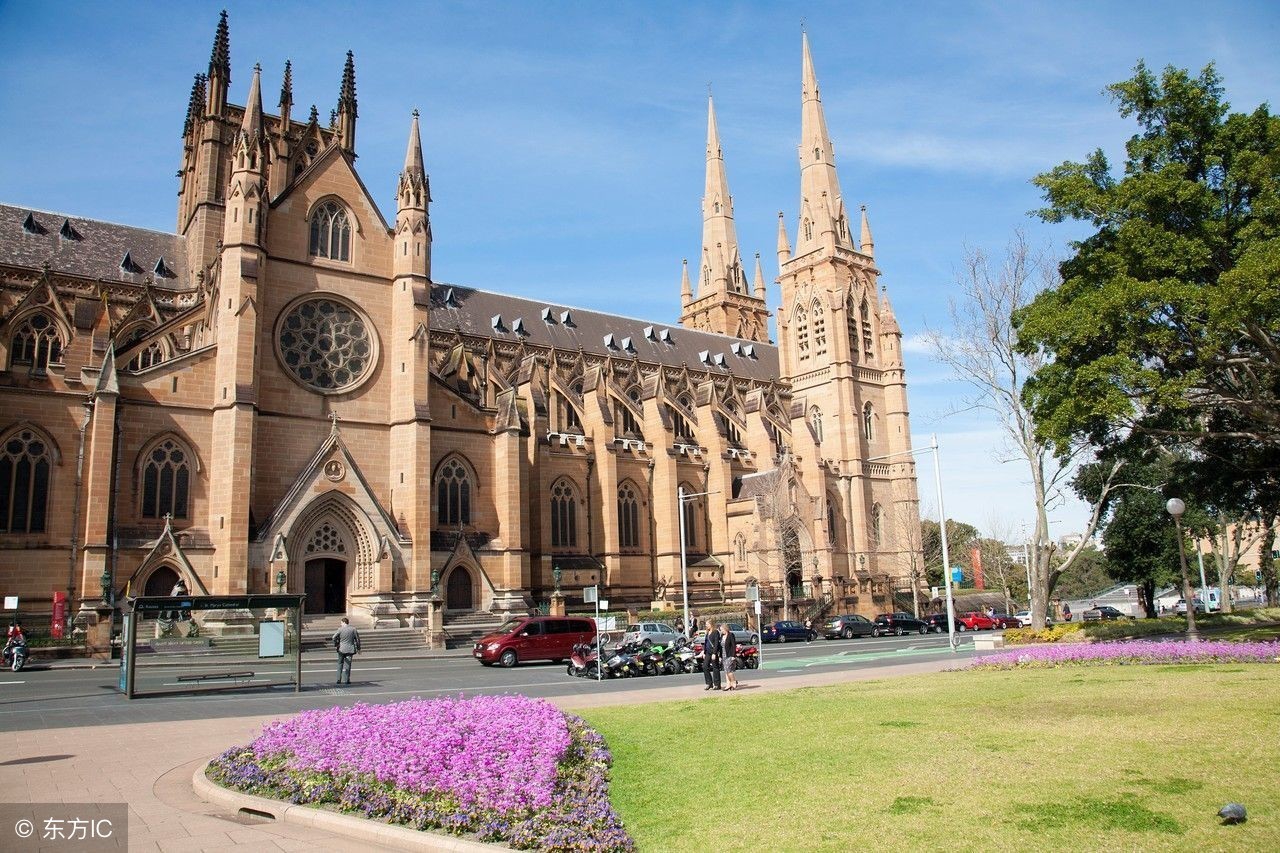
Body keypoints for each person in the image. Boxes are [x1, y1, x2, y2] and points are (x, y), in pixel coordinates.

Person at [332, 617, 360, 686]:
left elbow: (333, 637)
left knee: (340, 664)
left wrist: (336, 644)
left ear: (344, 622)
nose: (340, 624)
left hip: (341, 649)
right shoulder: (353, 629)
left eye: (341, 622)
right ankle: (347, 680)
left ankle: (338, 679)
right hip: (350, 650)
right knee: (348, 665)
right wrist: (358, 648)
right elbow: (357, 639)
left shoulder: (340, 629)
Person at [701, 619, 721, 691]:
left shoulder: (715, 632)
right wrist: (704, 652)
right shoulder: (707, 633)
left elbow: (716, 643)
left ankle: (717, 684)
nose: (706, 625)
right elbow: (706, 643)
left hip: (713, 652)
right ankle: (709, 683)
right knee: (705, 666)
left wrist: (714, 653)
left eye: (707, 624)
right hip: (707, 652)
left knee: (715, 667)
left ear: (711, 624)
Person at [720, 623, 738, 690]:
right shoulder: (722, 636)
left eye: (722, 630)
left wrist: (733, 655)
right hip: (723, 655)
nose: (721, 631)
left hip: (729, 655)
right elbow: (721, 646)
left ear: (725, 629)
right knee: (726, 671)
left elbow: (733, 646)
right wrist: (720, 656)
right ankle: (728, 684)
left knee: (729, 670)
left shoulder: (731, 635)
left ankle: (734, 681)